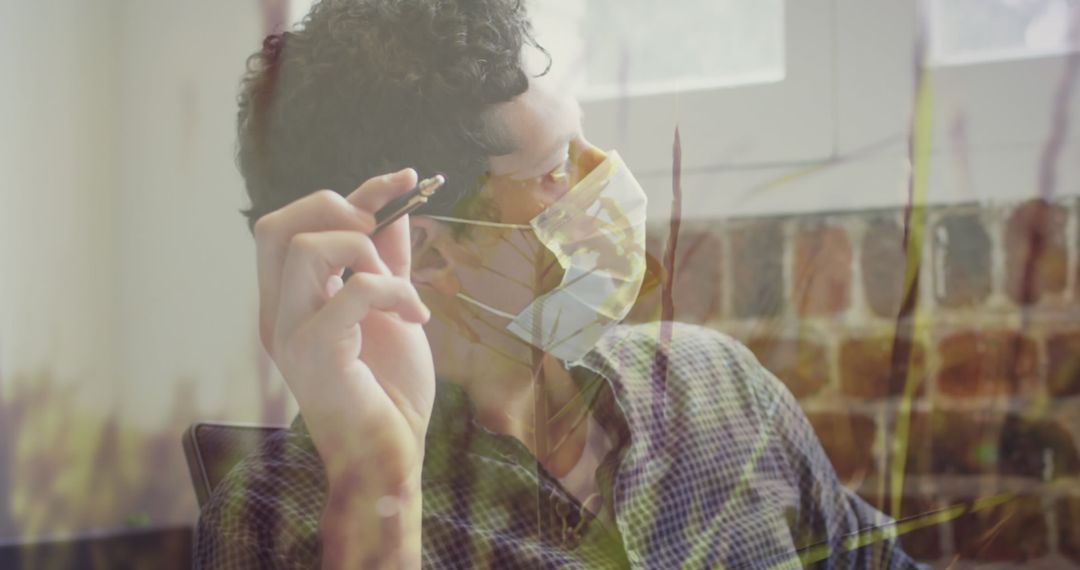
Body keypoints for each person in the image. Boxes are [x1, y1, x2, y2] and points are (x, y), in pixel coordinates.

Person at [194, 0, 925, 567]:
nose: (604, 173)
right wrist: (380, 494)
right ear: (431, 255)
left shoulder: (716, 387)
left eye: (584, 141)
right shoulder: (278, 519)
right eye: (554, 172)